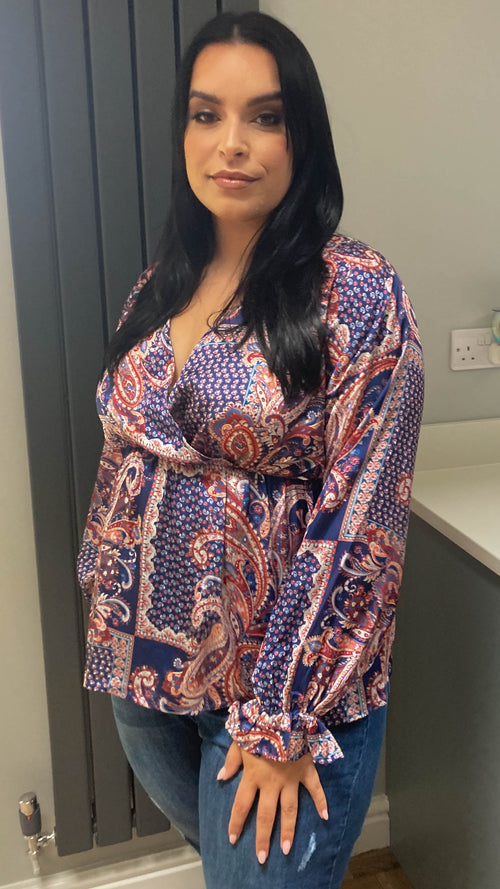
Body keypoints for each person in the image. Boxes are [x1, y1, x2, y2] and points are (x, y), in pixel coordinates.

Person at [77, 10, 424, 889]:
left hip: (281, 707)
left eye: (265, 117)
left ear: (303, 134)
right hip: (146, 682)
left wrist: (280, 718)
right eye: (207, 114)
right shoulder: (160, 284)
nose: (231, 143)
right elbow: (125, 460)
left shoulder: (357, 291)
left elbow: (362, 526)